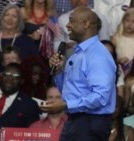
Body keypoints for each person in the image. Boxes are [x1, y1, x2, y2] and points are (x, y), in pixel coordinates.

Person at [44, 6, 117, 141]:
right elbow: (69, 91)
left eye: (71, 21)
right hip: (76, 121)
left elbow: (101, 97)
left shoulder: (98, 55)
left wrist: (66, 105)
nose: (67, 25)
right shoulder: (76, 54)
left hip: (90, 123)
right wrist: (59, 70)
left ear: (86, 24)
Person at [0, 4, 38, 73]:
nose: (10, 19)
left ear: (19, 21)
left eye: (14, 16)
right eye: (7, 15)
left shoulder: (27, 42)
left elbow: (35, 66)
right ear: (2, 18)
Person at [0, 63, 41, 130]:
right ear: (1, 75)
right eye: (7, 74)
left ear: (21, 81)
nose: (10, 78)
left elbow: (32, 134)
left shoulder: (29, 105)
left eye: (15, 76)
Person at [111, 8, 134, 75]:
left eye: (133, 22)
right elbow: (109, 57)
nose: (130, 24)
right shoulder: (116, 38)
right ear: (123, 21)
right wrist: (119, 61)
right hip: (118, 72)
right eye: (127, 20)